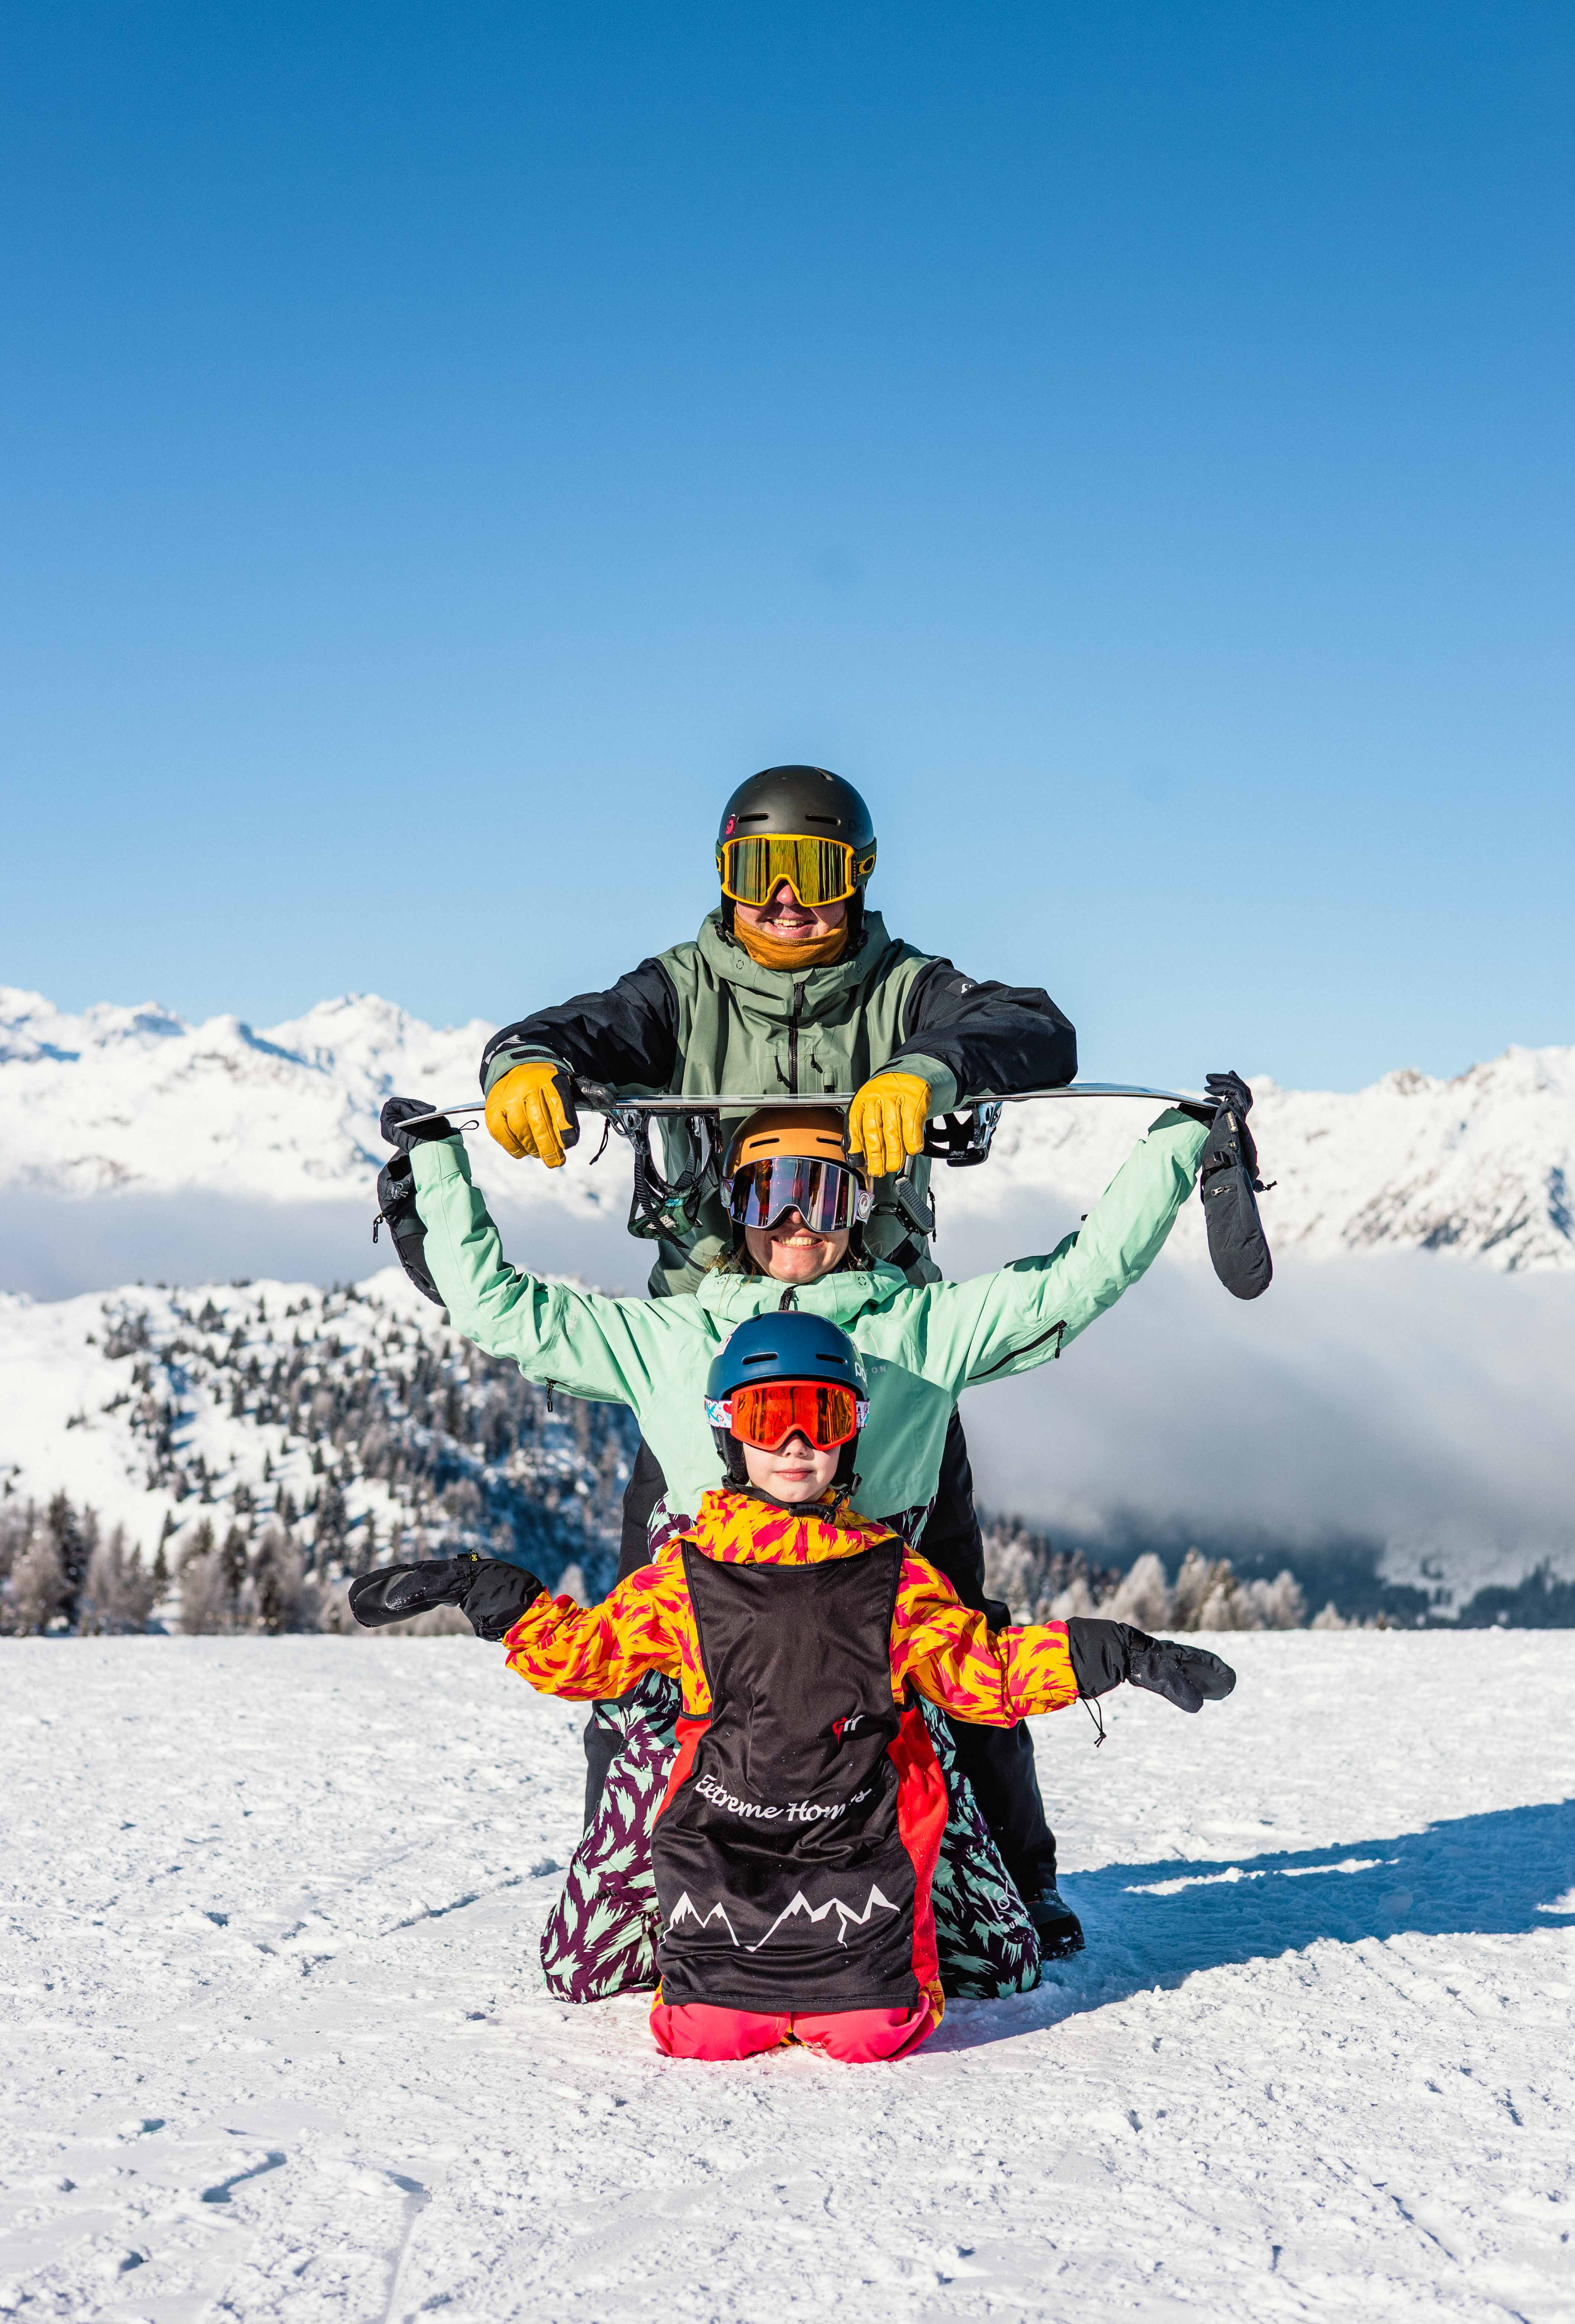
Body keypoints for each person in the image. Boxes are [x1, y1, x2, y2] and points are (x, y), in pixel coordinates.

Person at [373, 1080, 1220, 1958]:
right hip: (711, 1620)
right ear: (732, 1208)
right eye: (765, 1194)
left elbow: (1081, 1277)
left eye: (822, 1194)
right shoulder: (669, 1336)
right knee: (634, 1725)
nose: (794, 1222)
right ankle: (649, 1902)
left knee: (960, 1727)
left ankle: (1002, 1885)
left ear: (861, 1206)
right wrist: (436, 1163)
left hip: (870, 1617)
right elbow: (500, 1308)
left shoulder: (919, 1331)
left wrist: (1180, 1140)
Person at [472, 763, 1083, 1950]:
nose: (787, 901)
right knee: (661, 1639)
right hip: (710, 1374)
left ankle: (1014, 1877)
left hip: (884, 1368)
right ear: (725, 876)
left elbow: (1035, 1027)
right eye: (760, 871)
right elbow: (571, 1031)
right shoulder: (678, 991)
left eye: (815, 871)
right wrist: (524, 1065)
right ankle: (638, 1889)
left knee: (949, 1627)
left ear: (858, 877)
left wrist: (928, 1067)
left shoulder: (904, 990)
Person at [350, 1315, 1236, 2064]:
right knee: (602, 1975)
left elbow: (983, 1672)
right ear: (728, 1432)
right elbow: (586, 1658)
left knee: (986, 1972)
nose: (796, 1443)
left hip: (853, 1832)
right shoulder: (685, 1573)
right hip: (724, 1827)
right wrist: (490, 1591)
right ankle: (686, 1927)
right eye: (768, 1416)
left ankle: (895, 1922)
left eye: (822, 1414)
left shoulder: (893, 1575)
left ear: (851, 1431)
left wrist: (1115, 1653)